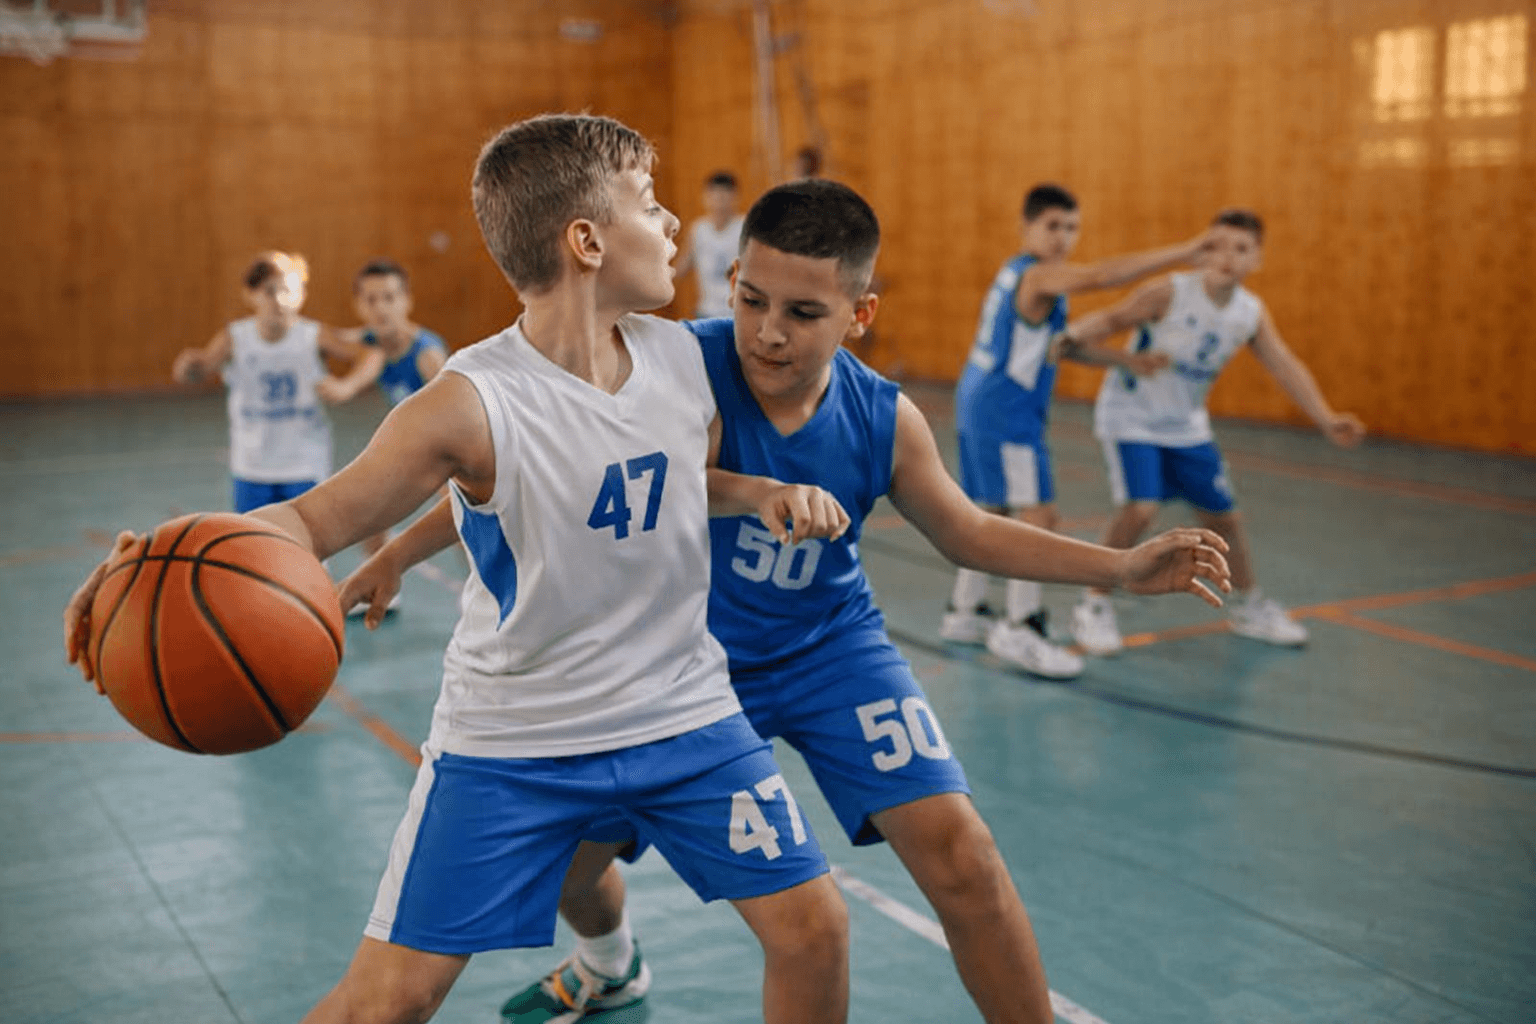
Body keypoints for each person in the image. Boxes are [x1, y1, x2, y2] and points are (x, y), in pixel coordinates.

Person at [339, 180, 1233, 1024]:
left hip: (827, 651)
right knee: (570, 866)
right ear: (732, 279)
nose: (767, 333)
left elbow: (967, 532)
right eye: (752, 300)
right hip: (670, 667)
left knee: (963, 855)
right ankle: (611, 961)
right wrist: (402, 552)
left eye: (804, 313)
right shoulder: (672, 363)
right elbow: (540, 471)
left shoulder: (883, 418)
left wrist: (1119, 568)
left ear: (859, 314)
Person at [66, 113, 853, 1024]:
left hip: (682, 712)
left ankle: (608, 963)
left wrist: (764, 490)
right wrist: (150, 562)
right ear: (587, 242)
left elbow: (642, 478)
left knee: (815, 929)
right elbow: (311, 519)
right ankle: (604, 957)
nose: (673, 221)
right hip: (515, 739)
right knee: (387, 1004)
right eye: (649, 203)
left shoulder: (691, 355)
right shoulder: (470, 403)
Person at [1061, 208, 1366, 653]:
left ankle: (1249, 605)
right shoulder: (1168, 292)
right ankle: (1094, 604)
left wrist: (1325, 416)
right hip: (1131, 416)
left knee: (1224, 519)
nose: (1227, 256)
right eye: (1218, 245)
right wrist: (1071, 337)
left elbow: (1284, 364)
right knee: (1140, 510)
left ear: (1257, 259)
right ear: (1203, 250)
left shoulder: (1249, 312)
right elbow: (1110, 320)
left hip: (1187, 426)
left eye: (1241, 248)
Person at [943, 182, 1213, 679]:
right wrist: (1185, 252)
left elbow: (1059, 347)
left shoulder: (1019, 274)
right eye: (1053, 226)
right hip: (1007, 410)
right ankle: (1021, 625)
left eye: (1072, 227)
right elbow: (1101, 275)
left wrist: (1125, 360)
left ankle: (966, 611)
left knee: (993, 510)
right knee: (1038, 516)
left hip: (980, 399)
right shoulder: (1041, 275)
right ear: (1026, 227)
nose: (1063, 237)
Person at [170, 251, 377, 513]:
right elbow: (199, 369)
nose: (279, 300)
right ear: (251, 294)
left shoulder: (313, 335)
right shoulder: (235, 338)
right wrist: (188, 368)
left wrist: (348, 386)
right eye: (269, 291)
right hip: (252, 466)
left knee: (306, 533)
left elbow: (369, 353)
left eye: (288, 291)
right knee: (255, 536)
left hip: (304, 463)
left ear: (302, 295)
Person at [673, 171, 745, 318]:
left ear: (735, 197)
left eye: (724, 195)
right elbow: (682, 267)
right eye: (714, 195)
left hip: (737, 312)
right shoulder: (699, 229)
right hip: (707, 312)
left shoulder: (745, 227)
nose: (719, 201)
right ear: (705, 197)